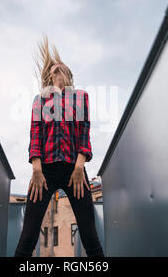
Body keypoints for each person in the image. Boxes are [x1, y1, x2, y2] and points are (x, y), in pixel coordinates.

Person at [14, 35, 104, 257]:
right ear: (49, 77)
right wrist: (36, 169)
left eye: (61, 68)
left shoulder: (81, 97)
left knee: (89, 234)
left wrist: (79, 167)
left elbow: (84, 132)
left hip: (75, 171)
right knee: (28, 235)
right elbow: (35, 132)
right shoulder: (40, 100)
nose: (57, 72)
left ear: (69, 74)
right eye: (54, 70)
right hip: (44, 173)